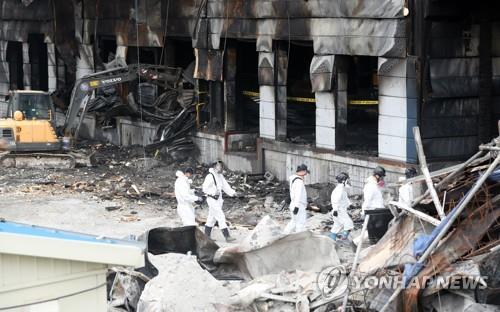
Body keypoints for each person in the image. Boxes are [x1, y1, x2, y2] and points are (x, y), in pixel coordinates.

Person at [202, 161, 237, 242]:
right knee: (220, 216)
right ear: (214, 167)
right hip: (212, 199)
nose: (221, 167)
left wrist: (233, 193)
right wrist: (213, 193)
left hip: (218, 200)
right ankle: (227, 236)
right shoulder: (210, 176)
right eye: (219, 166)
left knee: (212, 218)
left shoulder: (220, 176)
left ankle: (206, 237)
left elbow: (225, 186)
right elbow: (204, 188)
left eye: (221, 166)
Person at [284, 164, 309, 234]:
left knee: (293, 221)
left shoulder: (293, 179)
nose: (306, 175)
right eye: (305, 173)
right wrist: (297, 207)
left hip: (293, 204)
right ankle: (300, 240)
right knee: (300, 224)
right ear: (303, 171)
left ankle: (284, 235)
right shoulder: (299, 182)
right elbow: (298, 195)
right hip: (298, 205)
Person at [329, 172, 354, 241]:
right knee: (349, 225)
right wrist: (335, 210)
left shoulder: (342, 189)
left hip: (339, 211)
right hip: (339, 211)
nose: (348, 182)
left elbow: (345, 198)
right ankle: (343, 239)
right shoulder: (339, 190)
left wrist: (350, 204)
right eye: (347, 180)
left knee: (337, 226)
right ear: (343, 181)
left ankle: (332, 241)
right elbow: (335, 200)